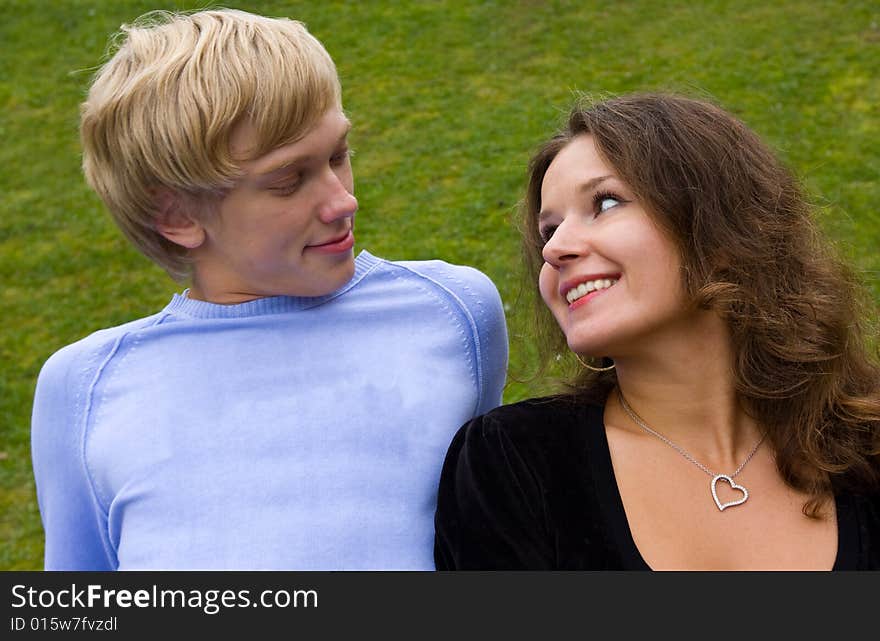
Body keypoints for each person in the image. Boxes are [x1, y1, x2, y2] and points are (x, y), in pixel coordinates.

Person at [30, 8, 508, 570]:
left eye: (338, 155)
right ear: (177, 213)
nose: (342, 200)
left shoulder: (453, 312)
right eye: (288, 181)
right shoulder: (85, 388)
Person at [434, 93, 880, 570]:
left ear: (721, 230)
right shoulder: (513, 463)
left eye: (605, 203)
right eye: (549, 230)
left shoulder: (866, 446)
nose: (555, 249)